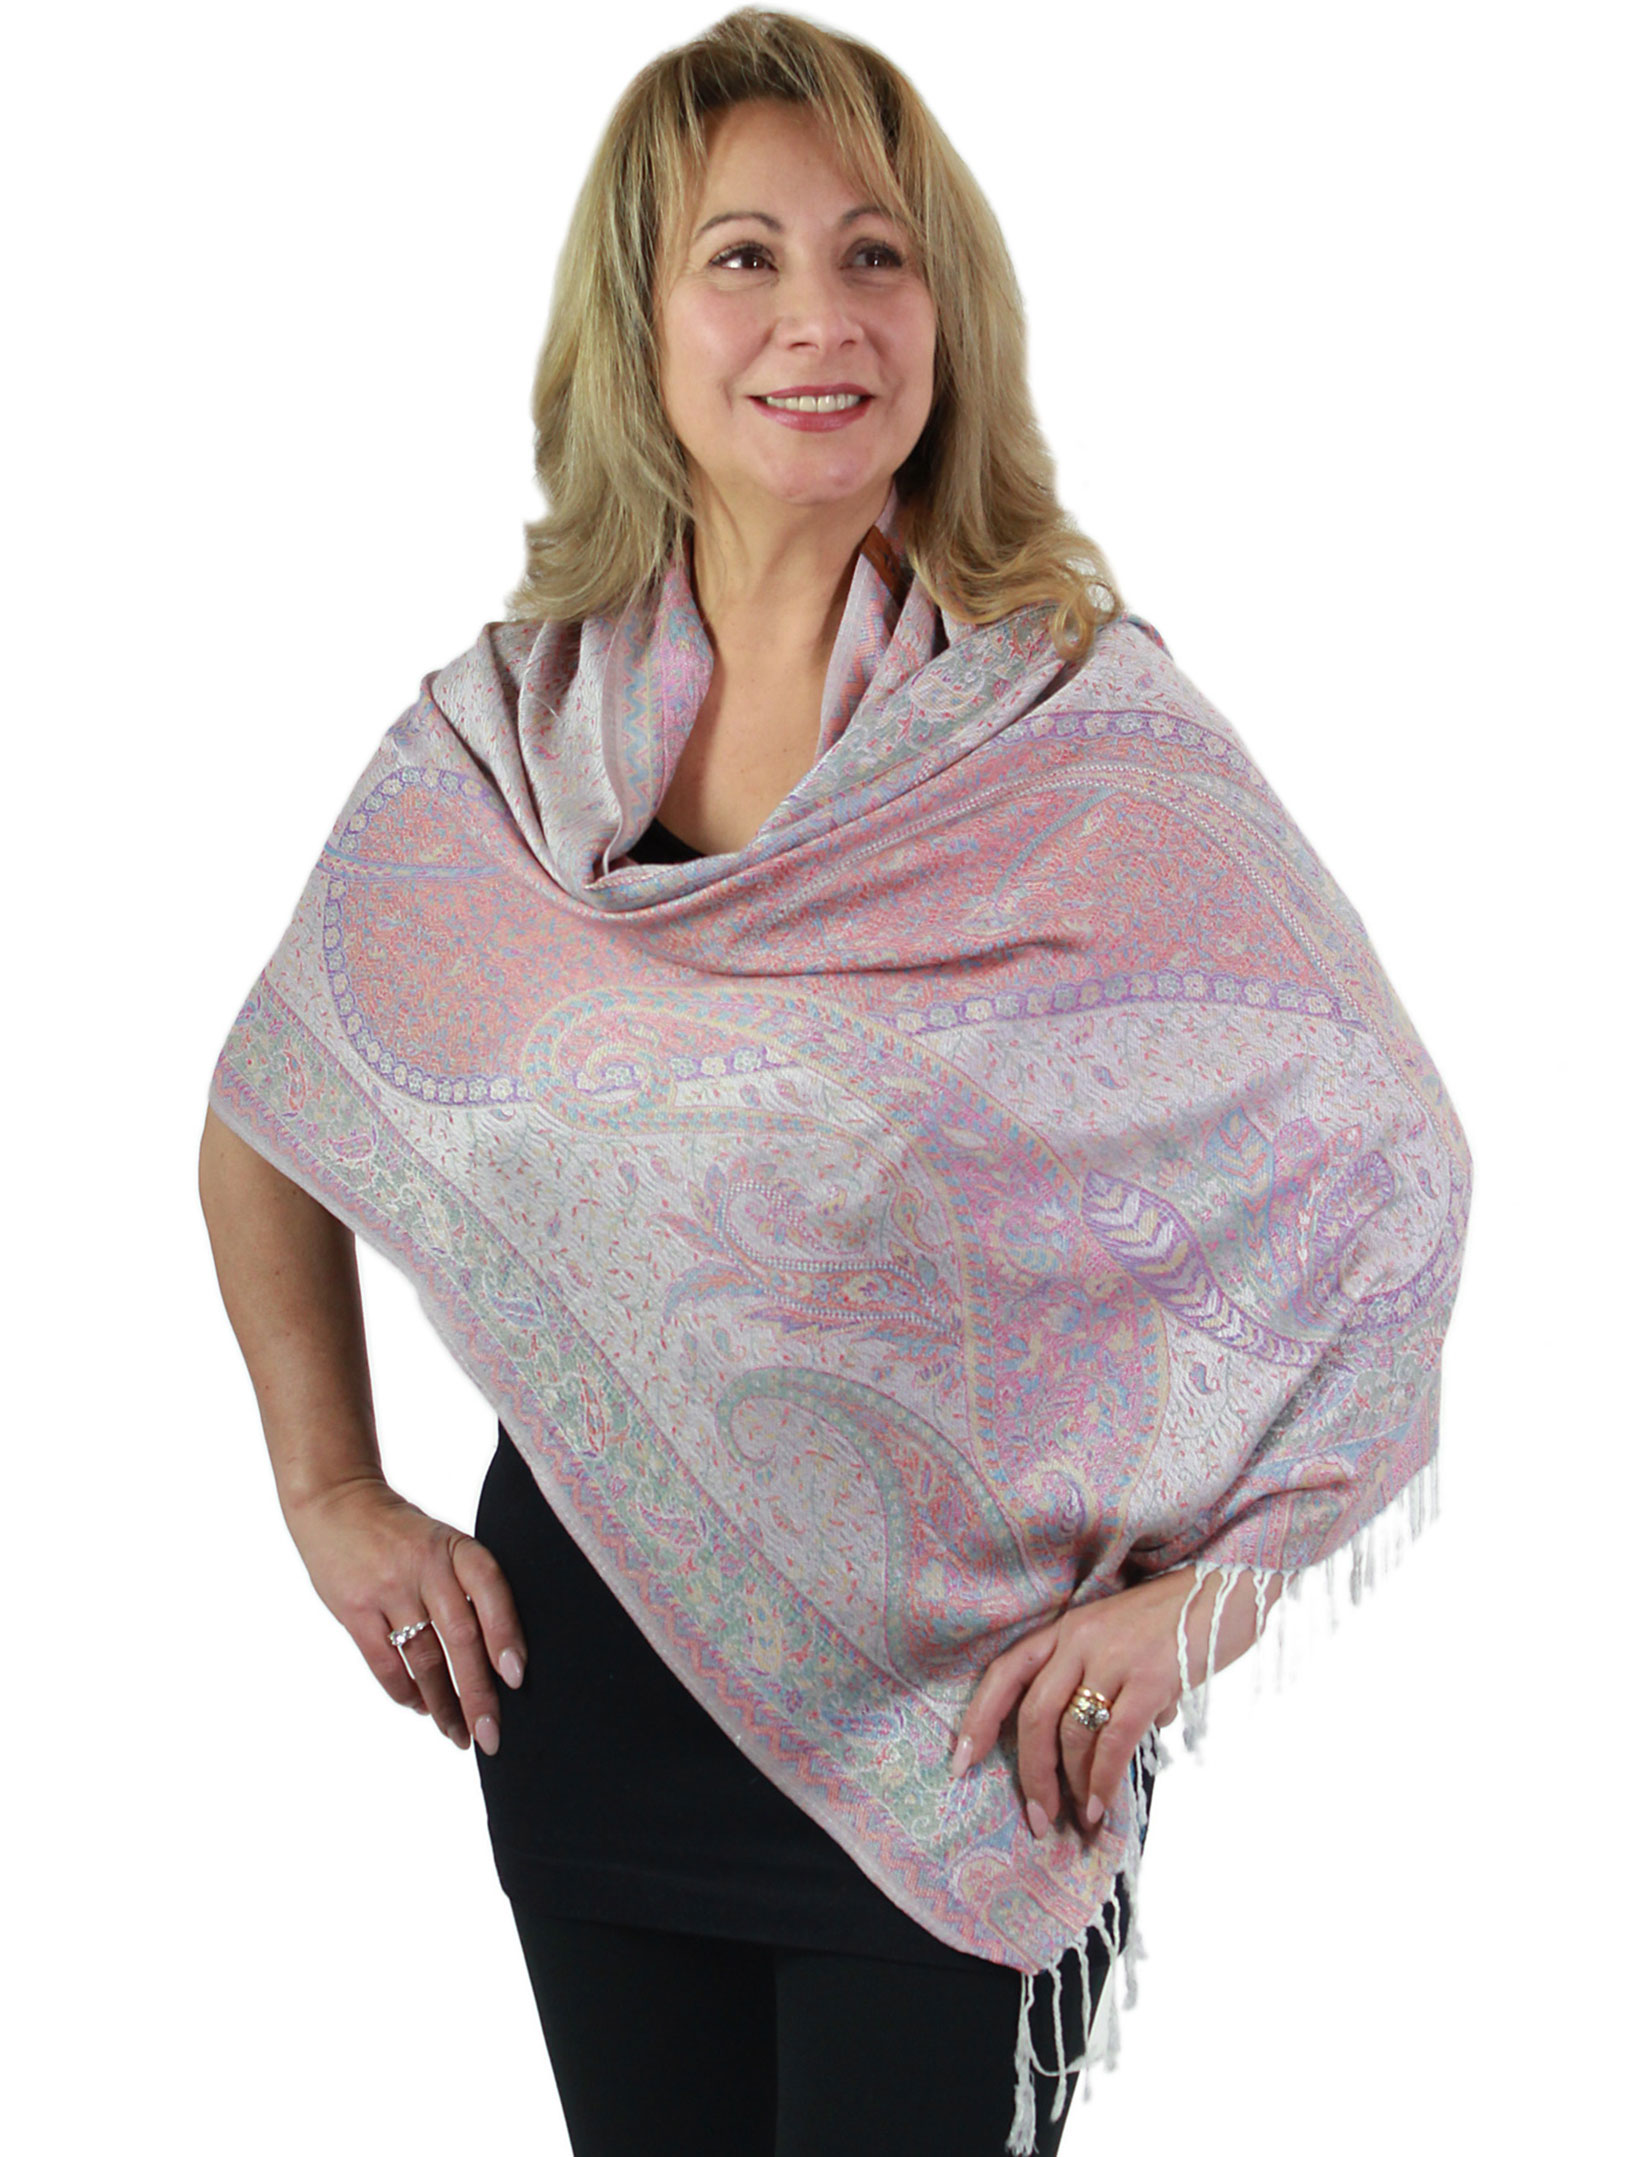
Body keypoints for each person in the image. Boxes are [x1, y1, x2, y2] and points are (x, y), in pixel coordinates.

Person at [198, 11, 1470, 2155]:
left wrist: (1211, 1603)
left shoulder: (1075, 740)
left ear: (946, 318)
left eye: (879, 256)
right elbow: (275, 1105)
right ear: (638, 326)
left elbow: (1388, 1171)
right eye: (744, 258)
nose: (823, 317)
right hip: (584, 1709)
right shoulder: (503, 749)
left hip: (973, 1742)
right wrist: (331, 1494)